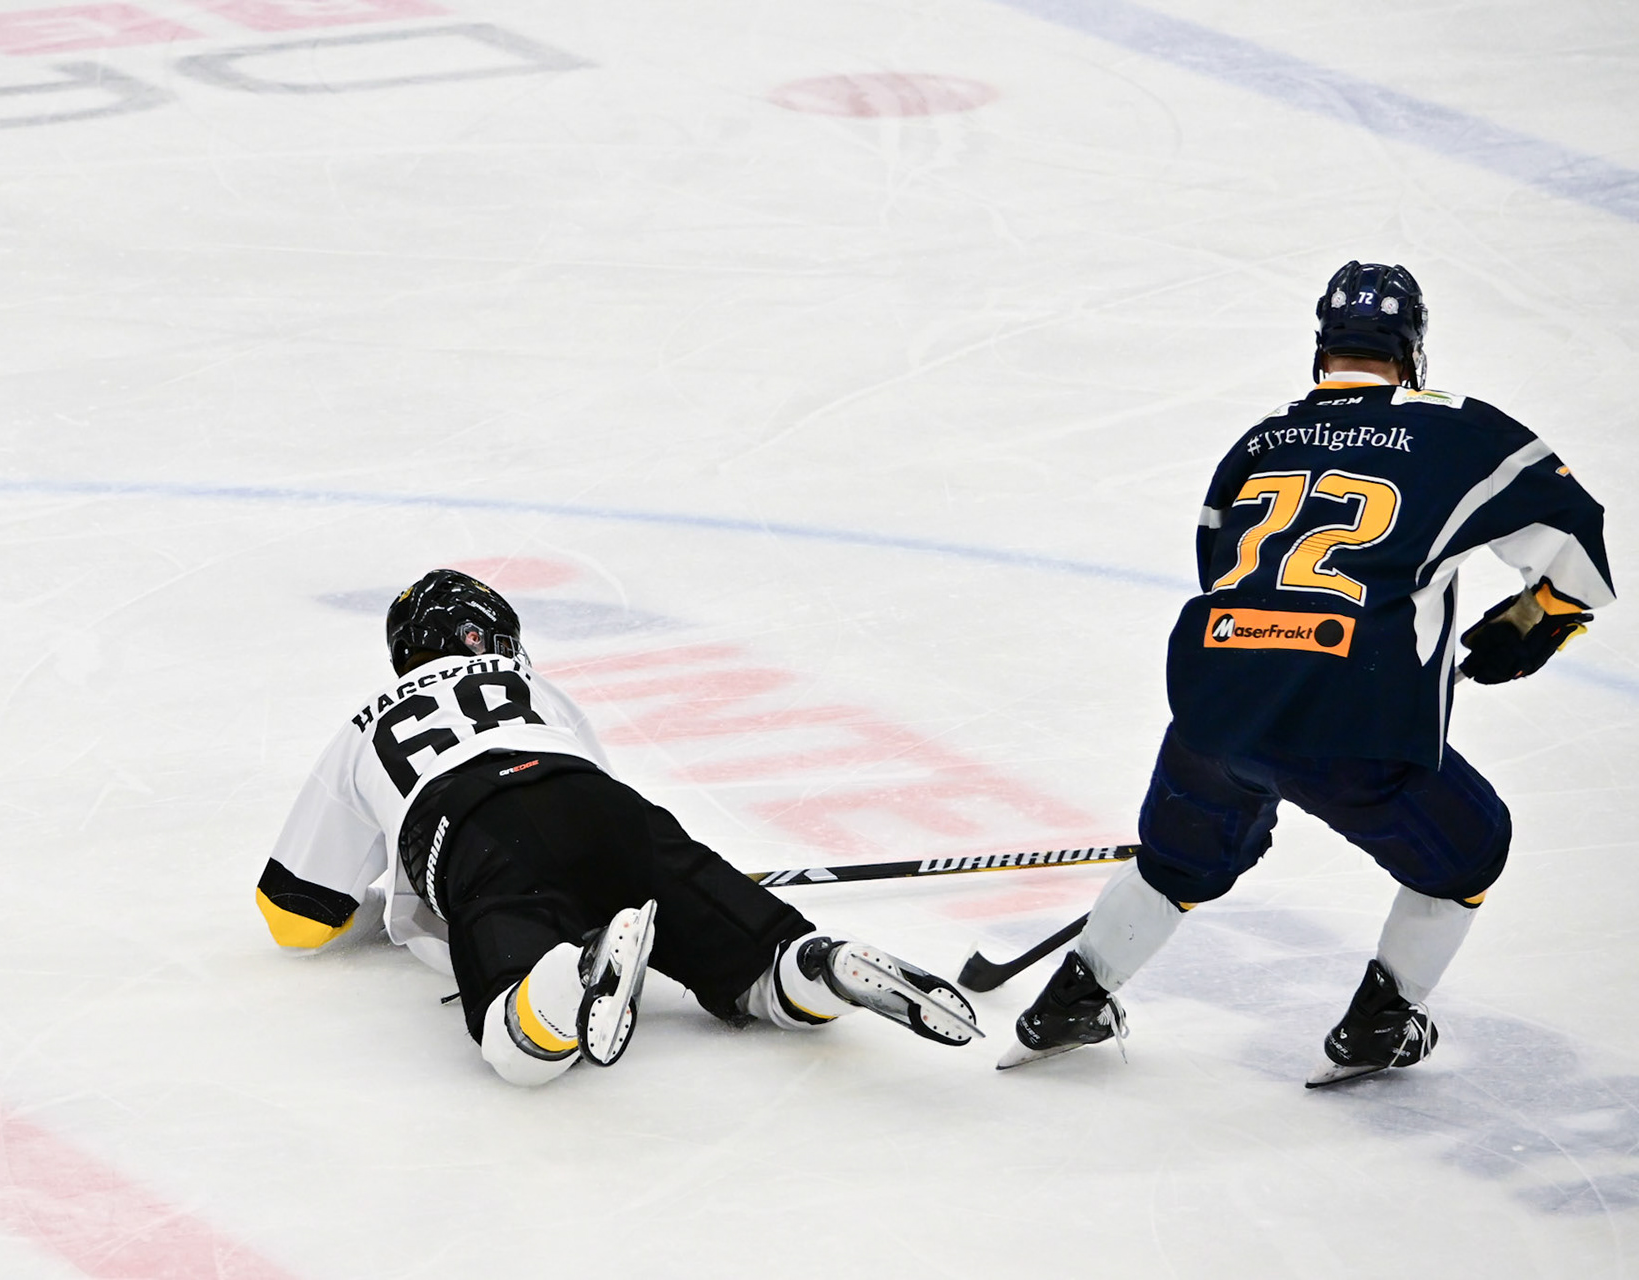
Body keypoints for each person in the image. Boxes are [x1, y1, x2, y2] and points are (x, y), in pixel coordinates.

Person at [998, 262, 1615, 1086]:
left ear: (1323, 344)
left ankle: (1067, 1003)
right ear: (1412, 349)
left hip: (1216, 705)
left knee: (1178, 861)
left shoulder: (1260, 441)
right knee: (1470, 849)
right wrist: (1540, 619)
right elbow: (1578, 550)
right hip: (1354, 718)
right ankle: (1381, 1024)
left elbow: (1220, 568)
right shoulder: (1459, 429)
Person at [257, 569, 981, 1085]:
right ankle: (818, 965)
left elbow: (294, 916)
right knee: (755, 966)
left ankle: (565, 982)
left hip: (470, 827)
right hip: (600, 803)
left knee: (516, 1046)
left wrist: (383, 906)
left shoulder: (365, 725)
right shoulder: (528, 684)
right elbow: (593, 819)